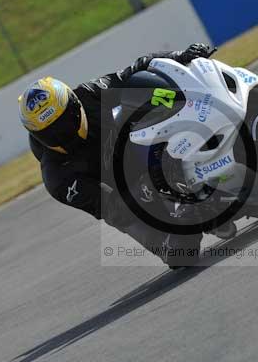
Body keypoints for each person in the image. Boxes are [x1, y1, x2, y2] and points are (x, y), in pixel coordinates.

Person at [18, 43, 225, 268]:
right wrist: (152, 188)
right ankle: (189, 211)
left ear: (74, 105)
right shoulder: (58, 177)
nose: (60, 134)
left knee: (146, 94)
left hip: (138, 147)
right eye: (49, 133)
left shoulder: (88, 94)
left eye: (63, 122)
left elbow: (134, 71)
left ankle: (219, 130)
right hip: (125, 195)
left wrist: (180, 56)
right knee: (180, 254)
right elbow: (113, 210)